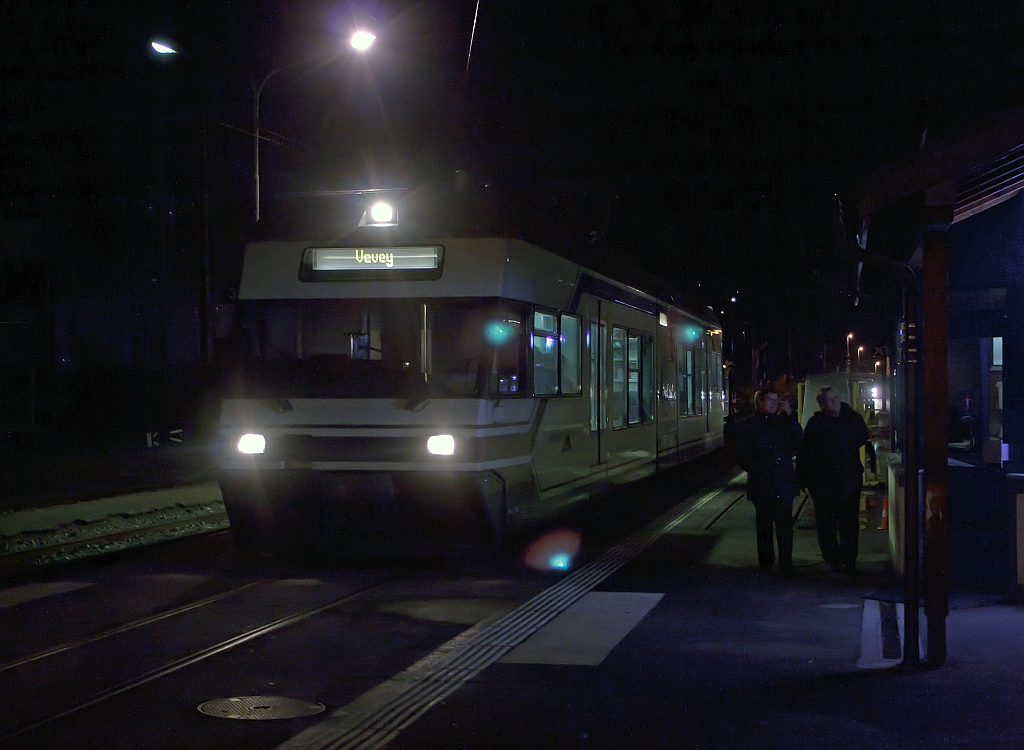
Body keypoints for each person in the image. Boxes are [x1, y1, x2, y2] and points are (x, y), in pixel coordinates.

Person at [797, 386, 870, 574]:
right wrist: (805, 479)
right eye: (829, 400)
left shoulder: (852, 419)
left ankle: (848, 559)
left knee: (849, 521)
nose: (834, 402)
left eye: (835, 397)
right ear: (822, 404)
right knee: (826, 522)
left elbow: (862, 436)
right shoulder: (816, 423)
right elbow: (805, 453)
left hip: (847, 479)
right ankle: (832, 558)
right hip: (824, 482)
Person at [734, 387, 803, 574]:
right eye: (770, 400)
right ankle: (766, 562)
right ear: (760, 403)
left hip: (782, 482)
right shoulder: (749, 425)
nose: (774, 403)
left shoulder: (784, 422)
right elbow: (742, 454)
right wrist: (758, 468)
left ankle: (786, 563)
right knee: (764, 524)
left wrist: (791, 417)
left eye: (776, 400)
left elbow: (798, 443)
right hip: (762, 483)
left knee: (784, 525)